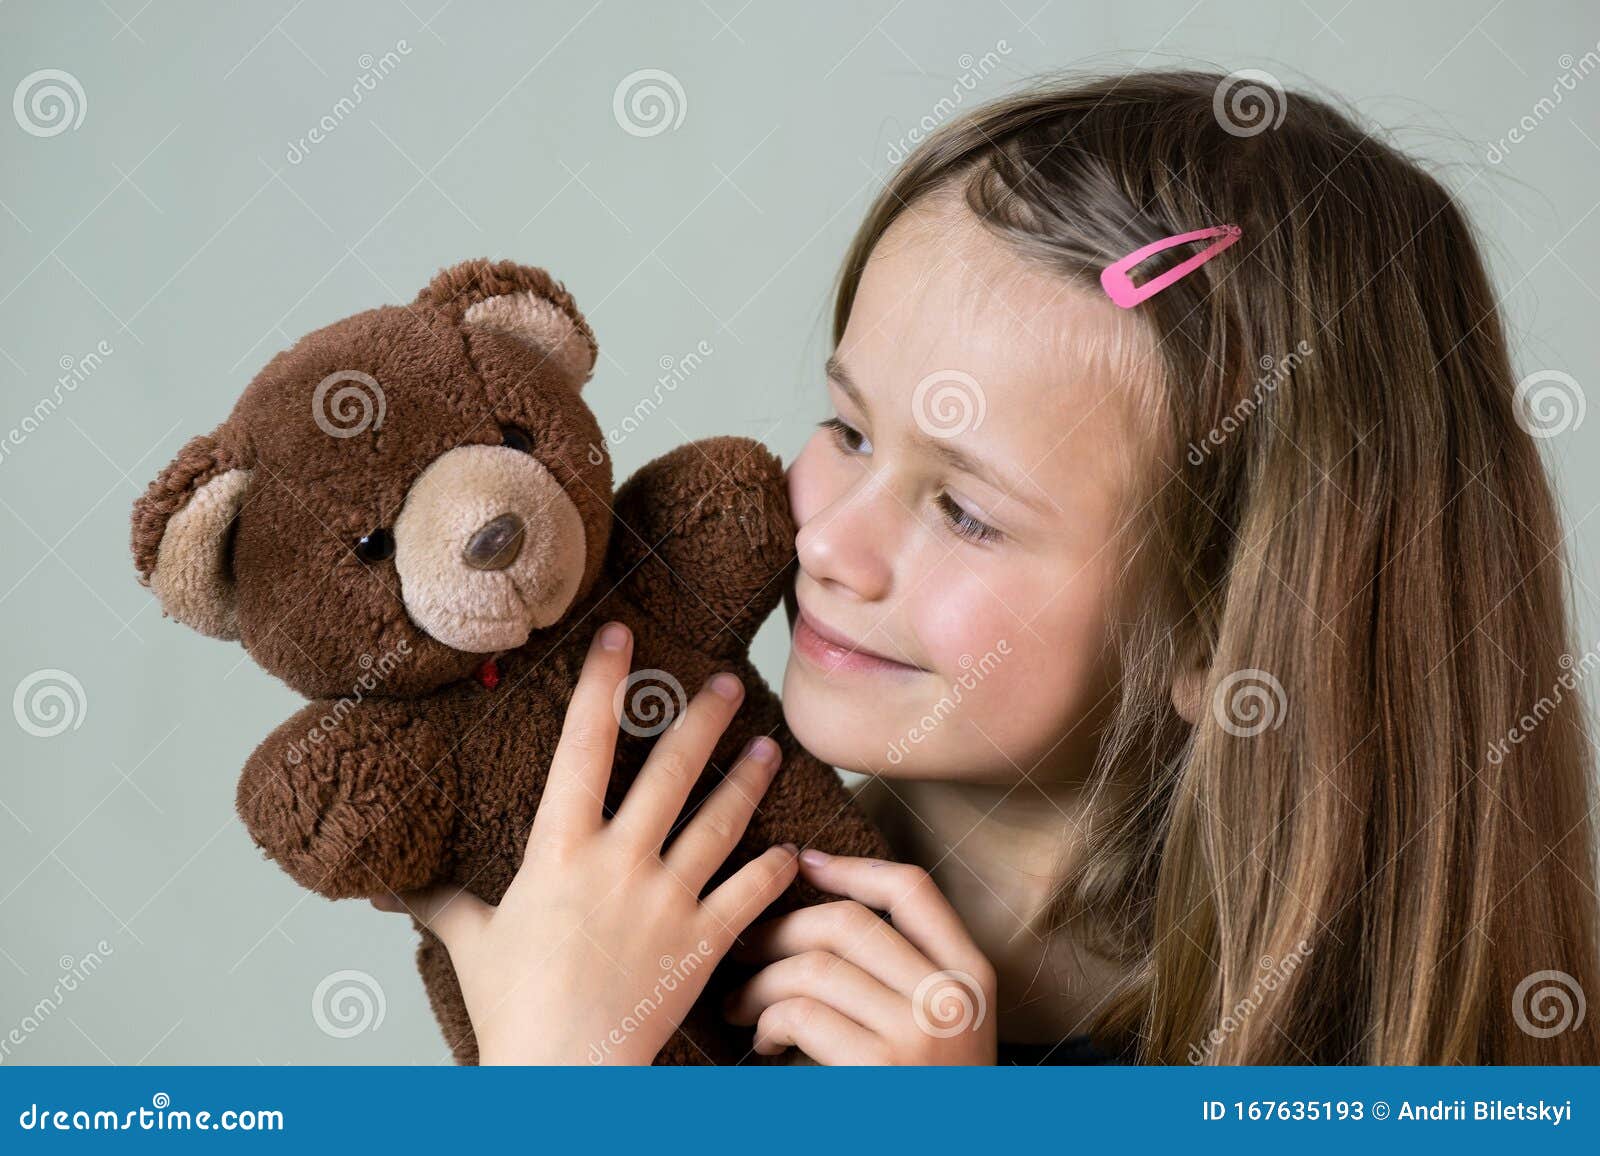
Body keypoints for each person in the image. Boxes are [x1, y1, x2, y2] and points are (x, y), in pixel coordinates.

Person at [373, 69, 1600, 1065]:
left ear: (1222, 632)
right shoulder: (639, 923)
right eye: (847, 429)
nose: (830, 542)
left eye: (963, 511)